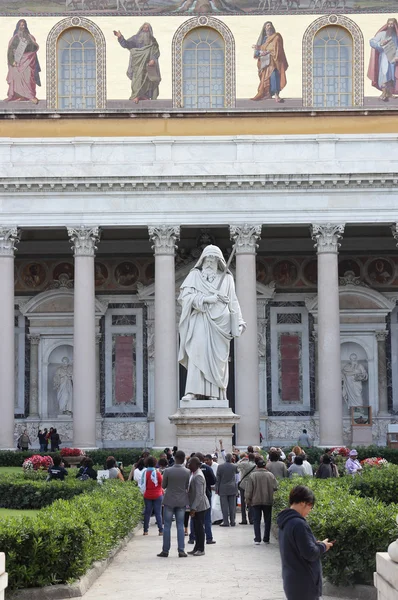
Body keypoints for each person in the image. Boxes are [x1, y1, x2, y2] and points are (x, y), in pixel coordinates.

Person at [178, 244, 245, 401]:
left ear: (219, 262)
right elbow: (185, 298)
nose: (209, 263)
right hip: (200, 321)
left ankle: (213, 394)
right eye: (207, 259)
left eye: (213, 260)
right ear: (202, 260)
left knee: (216, 361)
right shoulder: (194, 276)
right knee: (197, 353)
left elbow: (233, 302)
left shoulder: (227, 279)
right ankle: (192, 392)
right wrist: (207, 299)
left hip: (221, 324)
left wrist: (240, 322)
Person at [277, 485, 333, 600]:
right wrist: (323, 546)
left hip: (292, 580)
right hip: (304, 583)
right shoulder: (299, 524)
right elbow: (310, 553)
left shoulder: (285, 521)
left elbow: (297, 547)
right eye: (310, 506)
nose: (309, 511)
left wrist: (313, 543)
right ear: (303, 503)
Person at [114, 23, 161, 104]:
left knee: (147, 80)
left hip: (148, 64)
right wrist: (120, 37)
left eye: (147, 28)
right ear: (141, 28)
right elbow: (126, 44)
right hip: (137, 63)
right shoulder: (135, 38)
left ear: (149, 30)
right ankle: (135, 95)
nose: (145, 29)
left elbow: (156, 50)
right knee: (137, 79)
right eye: (144, 27)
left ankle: (144, 95)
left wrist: (153, 59)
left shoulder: (152, 40)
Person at [157, 450, 190, 558]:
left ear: (175, 458)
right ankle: (181, 550)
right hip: (181, 501)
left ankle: (165, 550)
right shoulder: (187, 472)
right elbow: (186, 486)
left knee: (167, 526)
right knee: (180, 526)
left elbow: (164, 485)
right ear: (184, 458)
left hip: (169, 500)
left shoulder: (167, 471)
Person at [251, 21, 288, 103]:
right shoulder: (264, 39)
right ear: (264, 29)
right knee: (265, 79)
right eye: (267, 26)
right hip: (265, 63)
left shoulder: (276, 37)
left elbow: (277, 48)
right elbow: (258, 51)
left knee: (274, 76)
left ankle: (276, 95)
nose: (269, 27)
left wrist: (267, 51)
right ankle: (267, 94)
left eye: (270, 26)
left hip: (274, 61)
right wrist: (260, 51)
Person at [5, 19, 41, 105]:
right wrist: (12, 61)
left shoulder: (30, 37)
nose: (22, 26)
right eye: (21, 25)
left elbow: (34, 48)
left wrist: (29, 47)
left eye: (24, 25)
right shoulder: (15, 38)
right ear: (18, 27)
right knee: (16, 77)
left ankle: (30, 95)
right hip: (17, 62)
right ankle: (17, 96)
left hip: (28, 61)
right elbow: (10, 51)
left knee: (28, 77)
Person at [245, 458, 278, 545]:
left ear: (257, 466)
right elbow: (276, 487)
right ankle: (266, 538)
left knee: (256, 520)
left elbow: (249, 490)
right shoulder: (270, 475)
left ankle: (257, 539)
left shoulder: (253, 475)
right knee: (267, 520)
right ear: (265, 466)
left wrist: (247, 500)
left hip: (256, 501)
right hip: (268, 500)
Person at [188, 453, 216, 545]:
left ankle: (192, 537)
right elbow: (213, 481)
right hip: (206, 494)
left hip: (199, 497)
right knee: (207, 519)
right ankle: (209, 537)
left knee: (194, 519)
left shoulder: (195, 473)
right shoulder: (207, 469)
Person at [368, 19, 398, 102]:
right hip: (384, 57)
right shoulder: (382, 34)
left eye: (392, 24)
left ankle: (389, 93)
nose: (390, 26)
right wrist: (380, 43)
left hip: (393, 59)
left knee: (392, 76)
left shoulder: (396, 36)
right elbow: (372, 41)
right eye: (389, 24)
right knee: (384, 74)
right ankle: (384, 92)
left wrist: (397, 56)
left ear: (395, 25)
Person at [187, 456, 210, 556]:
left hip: (200, 506)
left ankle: (201, 549)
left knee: (200, 528)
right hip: (196, 505)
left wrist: (193, 508)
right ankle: (196, 547)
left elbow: (199, 494)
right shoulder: (194, 474)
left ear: (196, 465)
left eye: (190, 463)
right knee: (196, 528)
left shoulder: (198, 476)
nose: (188, 465)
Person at [141, 456, 163, 536]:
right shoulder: (157, 473)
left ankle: (145, 530)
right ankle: (160, 530)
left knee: (147, 512)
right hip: (157, 495)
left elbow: (143, 484)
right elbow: (162, 483)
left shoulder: (145, 473)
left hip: (147, 495)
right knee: (158, 513)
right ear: (155, 463)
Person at [216, 453, 238, 527]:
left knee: (224, 506)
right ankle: (233, 521)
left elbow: (218, 479)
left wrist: (217, 489)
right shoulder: (234, 466)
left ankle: (226, 521)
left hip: (223, 488)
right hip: (232, 488)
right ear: (231, 458)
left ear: (225, 458)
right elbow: (237, 474)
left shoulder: (220, 467)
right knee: (232, 506)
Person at [237, 452, 256, 525]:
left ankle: (244, 519)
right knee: (250, 502)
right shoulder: (255, 465)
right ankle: (251, 519)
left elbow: (237, 465)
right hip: (251, 485)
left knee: (243, 503)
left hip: (243, 485)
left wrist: (241, 460)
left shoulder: (244, 463)